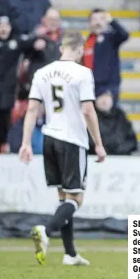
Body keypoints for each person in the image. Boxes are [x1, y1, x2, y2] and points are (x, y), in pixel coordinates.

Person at [18, 32, 107, 267]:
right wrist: (98, 144)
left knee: (63, 198)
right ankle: (46, 231)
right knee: (76, 199)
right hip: (72, 140)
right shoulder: (82, 73)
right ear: (79, 50)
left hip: (49, 138)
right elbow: (88, 110)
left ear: (61, 48)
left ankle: (70, 254)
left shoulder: (42, 73)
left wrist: (26, 143)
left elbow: (31, 110)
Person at [0, 15, 43, 152]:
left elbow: (34, 43)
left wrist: (39, 42)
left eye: (6, 26)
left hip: (7, 93)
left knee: (2, 132)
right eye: (0, 26)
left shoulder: (17, 42)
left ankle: (1, 160)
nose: (3, 29)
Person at [83, 9, 129, 103]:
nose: (98, 22)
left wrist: (112, 21)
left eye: (101, 19)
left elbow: (124, 35)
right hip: (91, 86)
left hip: (109, 87)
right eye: (94, 19)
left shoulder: (111, 37)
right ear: (90, 22)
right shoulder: (87, 41)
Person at [91, 91, 138, 156]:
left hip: (120, 160)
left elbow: (132, 141)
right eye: (101, 96)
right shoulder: (88, 117)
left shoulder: (120, 115)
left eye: (107, 96)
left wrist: (118, 150)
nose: (104, 100)